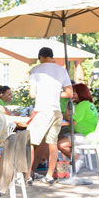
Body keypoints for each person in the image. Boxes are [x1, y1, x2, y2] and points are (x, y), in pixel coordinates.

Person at [28, 47, 73, 184]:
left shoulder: (35, 70)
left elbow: (32, 94)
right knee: (52, 144)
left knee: (30, 142)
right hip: (56, 112)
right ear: (51, 57)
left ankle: (28, 176)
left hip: (43, 110)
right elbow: (69, 93)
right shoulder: (62, 70)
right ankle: (49, 176)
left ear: (40, 57)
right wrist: (55, 94)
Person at [57, 83, 98, 170]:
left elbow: (71, 120)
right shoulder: (88, 104)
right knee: (57, 138)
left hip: (86, 136)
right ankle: (69, 161)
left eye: (74, 93)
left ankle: (78, 158)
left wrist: (69, 102)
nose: (72, 95)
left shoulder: (82, 105)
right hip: (90, 135)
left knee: (59, 143)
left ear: (81, 93)